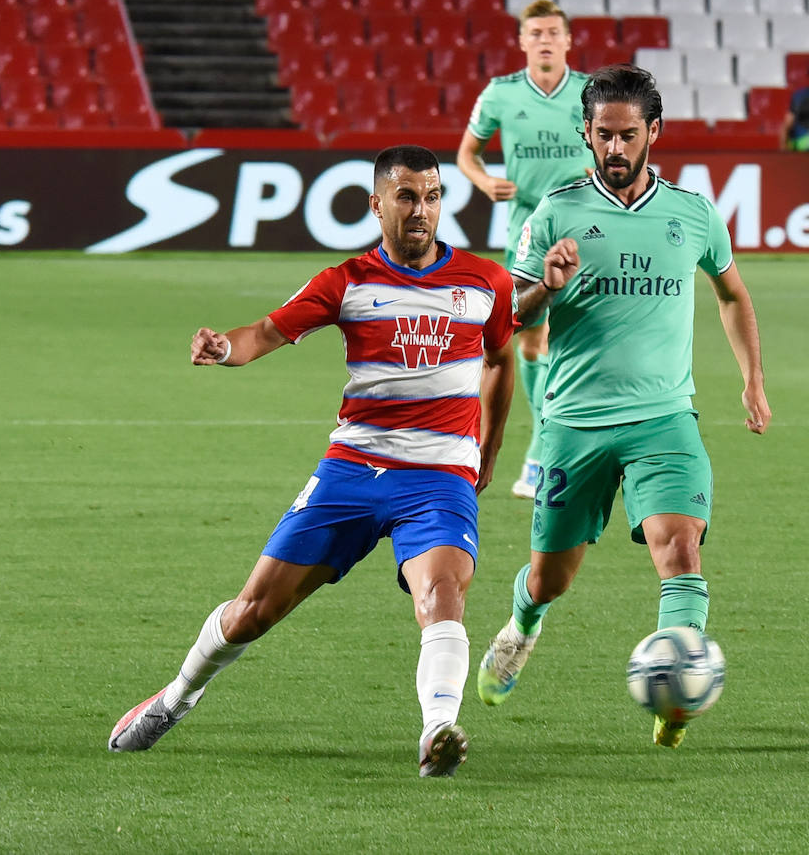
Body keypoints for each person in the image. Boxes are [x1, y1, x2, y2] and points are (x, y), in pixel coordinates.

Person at [107, 146, 517, 779]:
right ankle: (175, 697)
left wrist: (485, 454)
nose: (421, 210)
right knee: (253, 613)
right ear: (376, 204)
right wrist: (223, 348)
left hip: (440, 477)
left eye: (432, 196)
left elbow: (500, 361)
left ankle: (438, 731)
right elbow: (264, 334)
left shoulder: (485, 281)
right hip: (352, 470)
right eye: (406, 197)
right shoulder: (347, 281)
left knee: (443, 593)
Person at [477, 64, 771, 748]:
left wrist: (753, 376)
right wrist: (545, 288)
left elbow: (732, 294)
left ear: (654, 133)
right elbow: (508, 326)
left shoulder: (693, 213)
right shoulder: (555, 212)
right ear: (586, 132)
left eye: (627, 135)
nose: (614, 148)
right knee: (552, 577)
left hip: (665, 419)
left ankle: (679, 696)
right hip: (573, 423)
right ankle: (522, 624)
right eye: (602, 134)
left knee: (681, 548)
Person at [457, 0, 595, 500]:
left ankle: (551, 449)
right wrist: (483, 181)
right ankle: (544, 448)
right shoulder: (500, 93)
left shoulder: (589, 92)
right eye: (534, 32)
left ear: (566, 40)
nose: (543, 39)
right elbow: (466, 153)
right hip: (526, 232)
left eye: (552, 32)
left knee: (579, 338)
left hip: (586, 225)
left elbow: (618, 144)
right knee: (530, 342)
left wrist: (600, 171)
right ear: (521, 41)